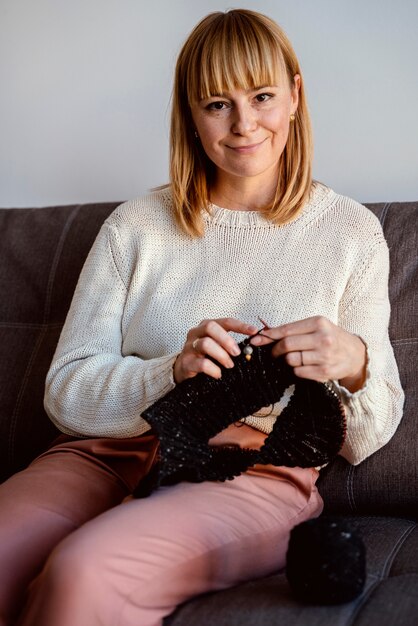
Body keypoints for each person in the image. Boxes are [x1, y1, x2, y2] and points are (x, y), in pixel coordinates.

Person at [0, 9, 404, 626]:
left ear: (295, 95)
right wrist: (170, 372)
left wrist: (355, 365)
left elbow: (369, 433)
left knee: (88, 572)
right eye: (217, 104)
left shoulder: (351, 234)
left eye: (262, 96)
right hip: (101, 454)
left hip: (253, 467)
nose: (244, 125)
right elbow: (65, 392)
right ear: (190, 114)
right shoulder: (134, 228)